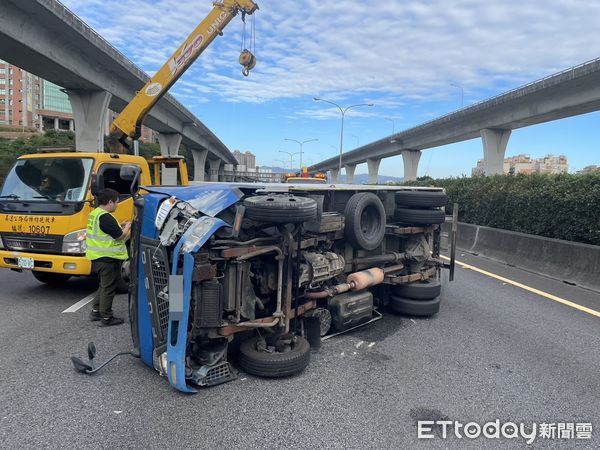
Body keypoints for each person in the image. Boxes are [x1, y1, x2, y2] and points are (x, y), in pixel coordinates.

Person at [85, 188, 131, 326]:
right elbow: (119, 236)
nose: (117, 205)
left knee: (104, 285)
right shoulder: (105, 217)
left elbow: (106, 230)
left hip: (97, 257)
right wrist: (127, 227)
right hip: (107, 258)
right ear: (110, 202)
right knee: (109, 287)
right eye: (117, 202)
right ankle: (106, 317)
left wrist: (119, 225)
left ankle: (95, 311)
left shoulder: (95, 213)